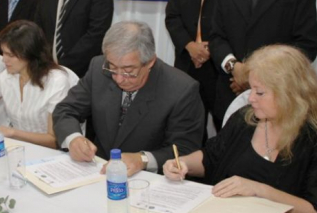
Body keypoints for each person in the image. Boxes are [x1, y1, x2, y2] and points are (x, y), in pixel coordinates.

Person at [164, 45, 317, 213]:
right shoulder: (245, 120)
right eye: (250, 89)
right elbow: (211, 157)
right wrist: (183, 163)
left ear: (289, 94)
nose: (250, 98)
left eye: (259, 92)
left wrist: (260, 191)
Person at [53, 21, 205, 176]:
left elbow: (185, 149)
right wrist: (73, 139)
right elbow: (66, 110)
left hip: (148, 180)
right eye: (112, 67)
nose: (118, 78)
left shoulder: (182, 90)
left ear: (150, 62)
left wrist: (143, 159)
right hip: (97, 171)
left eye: (128, 71)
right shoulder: (98, 68)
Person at [166, 0, 243, 134]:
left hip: (222, 69)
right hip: (188, 65)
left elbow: (238, 21)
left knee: (226, 131)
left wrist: (211, 49)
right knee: (187, 131)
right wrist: (190, 46)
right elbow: (173, 16)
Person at [0, 20, 73, 148]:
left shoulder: (56, 81)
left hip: (49, 155)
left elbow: (54, 140)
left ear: (30, 54)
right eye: (3, 53)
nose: (3, 59)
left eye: (10, 55)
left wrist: (12, 132)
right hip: (19, 149)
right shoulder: (6, 76)